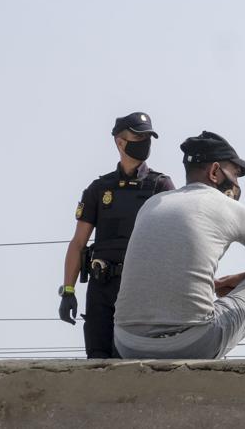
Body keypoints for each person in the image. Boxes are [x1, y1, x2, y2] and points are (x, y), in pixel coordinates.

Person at [113, 131, 245, 360]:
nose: (237, 183)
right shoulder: (229, 207)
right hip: (192, 344)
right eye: (236, 173)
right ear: (214, 172)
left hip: (126, 343)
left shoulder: (152, 204)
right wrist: (242, 279)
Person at [59, 112, 175, 359]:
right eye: (138, 135)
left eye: (148, 137)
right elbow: (78, 242)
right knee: (97, 361)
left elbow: (173, 242)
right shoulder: (99, 189)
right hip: (102, 288)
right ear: (120, 142)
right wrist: (68, 291)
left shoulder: (160, 186)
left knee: (134, 364)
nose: (145, 141)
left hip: (141, 289)